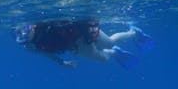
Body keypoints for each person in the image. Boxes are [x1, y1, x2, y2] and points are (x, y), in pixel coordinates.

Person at [15, 18, 153, 69]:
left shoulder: (44, 22)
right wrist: (63, 63)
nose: (23, 33)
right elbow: (46, 54)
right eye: (18, 33)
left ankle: (134, 33)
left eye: (25, 28)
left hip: (83, 30)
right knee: (103, 58)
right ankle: (115, 53)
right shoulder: (30, 46)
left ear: (32, 26)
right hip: (74, 45)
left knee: (109, 42)